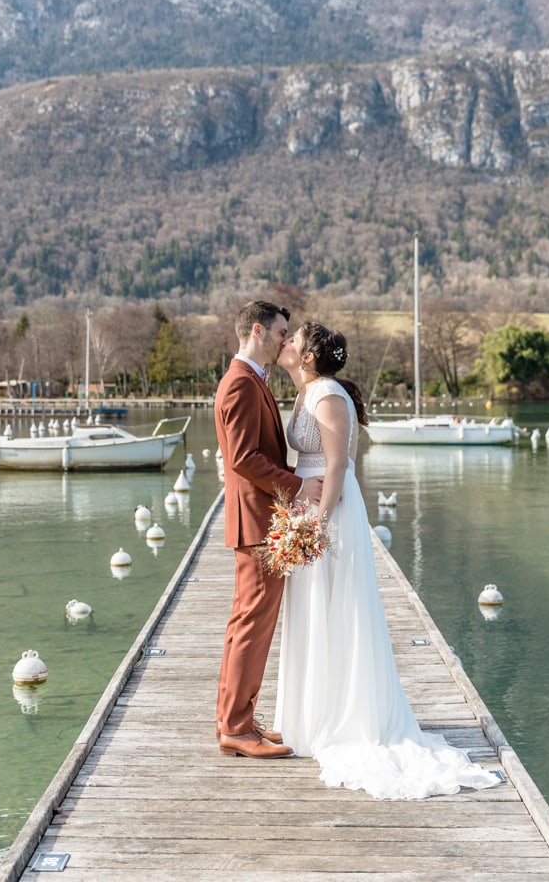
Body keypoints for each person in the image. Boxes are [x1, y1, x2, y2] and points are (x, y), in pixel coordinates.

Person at [273, 321, 501, 799]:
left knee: (338, 607)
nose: (285, 342)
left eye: (292, 338)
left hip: (330, 510)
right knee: (315, 606)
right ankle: (312, 715)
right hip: (311, 504)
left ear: (309, 356)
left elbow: (336, 464)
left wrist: (316, 520)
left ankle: (343, 714)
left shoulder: (327, 394)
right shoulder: (307, 391)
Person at [214, 300, 324, 759]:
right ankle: (237, 729)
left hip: (258, 518)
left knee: (246, 623)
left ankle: (236, 719)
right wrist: (298, 485)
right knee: (253, 625)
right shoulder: (240, 383)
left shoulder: (249, 379)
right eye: (281, 333)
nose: (286, 341)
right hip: (258, 522)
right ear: (257, 331)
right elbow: (243, 458)